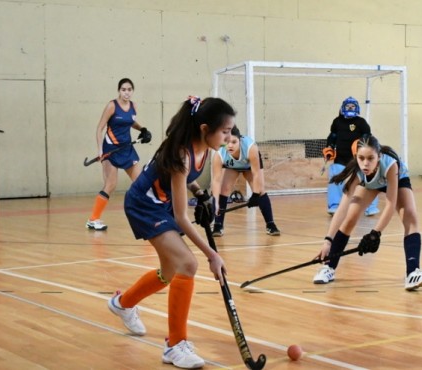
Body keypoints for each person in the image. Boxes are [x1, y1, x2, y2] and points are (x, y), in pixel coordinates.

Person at [107, 96, 235, 369]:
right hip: (144, 204)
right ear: (204, 128)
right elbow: (181, 217)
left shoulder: (206, 149)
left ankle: (122, 303)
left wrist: (200, 194)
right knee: (188, 263)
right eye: (225, 131)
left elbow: (184, 181)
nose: (229, 136)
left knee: (169, 273)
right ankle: (175, 345)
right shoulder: (181, 153)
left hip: (160, 204)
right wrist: (212, 254)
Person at [313, 134, 422, 291]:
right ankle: (329, 267)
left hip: (396, 180)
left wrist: (375, 234)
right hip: (371, 184)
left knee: (410, 216)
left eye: (371, 158)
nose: (365, 163)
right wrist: (327, 241)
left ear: (379, 157)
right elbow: (341, 208)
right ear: (356, 157)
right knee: (350, 218)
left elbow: (390, 204)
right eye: (361, 158)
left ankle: (412, 273)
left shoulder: (391, 165)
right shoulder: (357, 173)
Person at [86, 78, 152, 231]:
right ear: (119, 91)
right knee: (111, 185)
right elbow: (99, 128)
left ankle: (148, 217)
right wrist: (100, 151)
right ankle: (93, 219)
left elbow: (130, 122)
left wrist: (142, 129)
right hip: (111, 149)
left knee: (141, 183)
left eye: (129, 89)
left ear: (132, 91)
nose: (126, 92)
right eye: (123, 89)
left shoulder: (134, 106)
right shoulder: (112, 106)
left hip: (127, 148)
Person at [210, 125, 280, 237]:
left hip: (249, 166)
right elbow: (216, 180)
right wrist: (214, 202)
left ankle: (270, 225)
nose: (230, 145)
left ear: (240, 140)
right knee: (223, 190)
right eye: (227, 142)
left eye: (234, 142)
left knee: (260, 190)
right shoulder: (219, 153)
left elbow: (256, 173)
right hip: (232, 166)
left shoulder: (250, 147)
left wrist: (256, 195)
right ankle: (218, 225)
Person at [324, 96, 379, 216]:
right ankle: (335, 205)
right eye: (347, 106)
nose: (350, 108)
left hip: (358, 159)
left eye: (352, 106)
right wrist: (329, 148)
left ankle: (370, 206)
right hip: (341, 158)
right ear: (343, 108)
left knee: (368, 179)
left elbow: (368, 138)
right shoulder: (337, 122)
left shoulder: (361, 122)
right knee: (335, 178)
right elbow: (332, 136)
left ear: (357, 108)